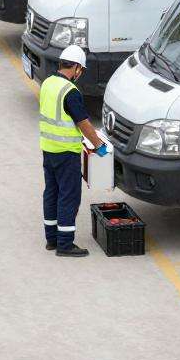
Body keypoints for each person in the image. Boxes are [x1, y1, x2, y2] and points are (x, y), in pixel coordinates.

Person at [39, 45, 107, 257]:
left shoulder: (48, 83)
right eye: (81, 70)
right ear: (76, 68)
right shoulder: (70, 91)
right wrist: (99, 146)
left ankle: (51, 239)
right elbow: (83, 123)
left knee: (52, 192)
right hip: (67, 153)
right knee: (69, 197)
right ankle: (65, 244)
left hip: (48, 149)